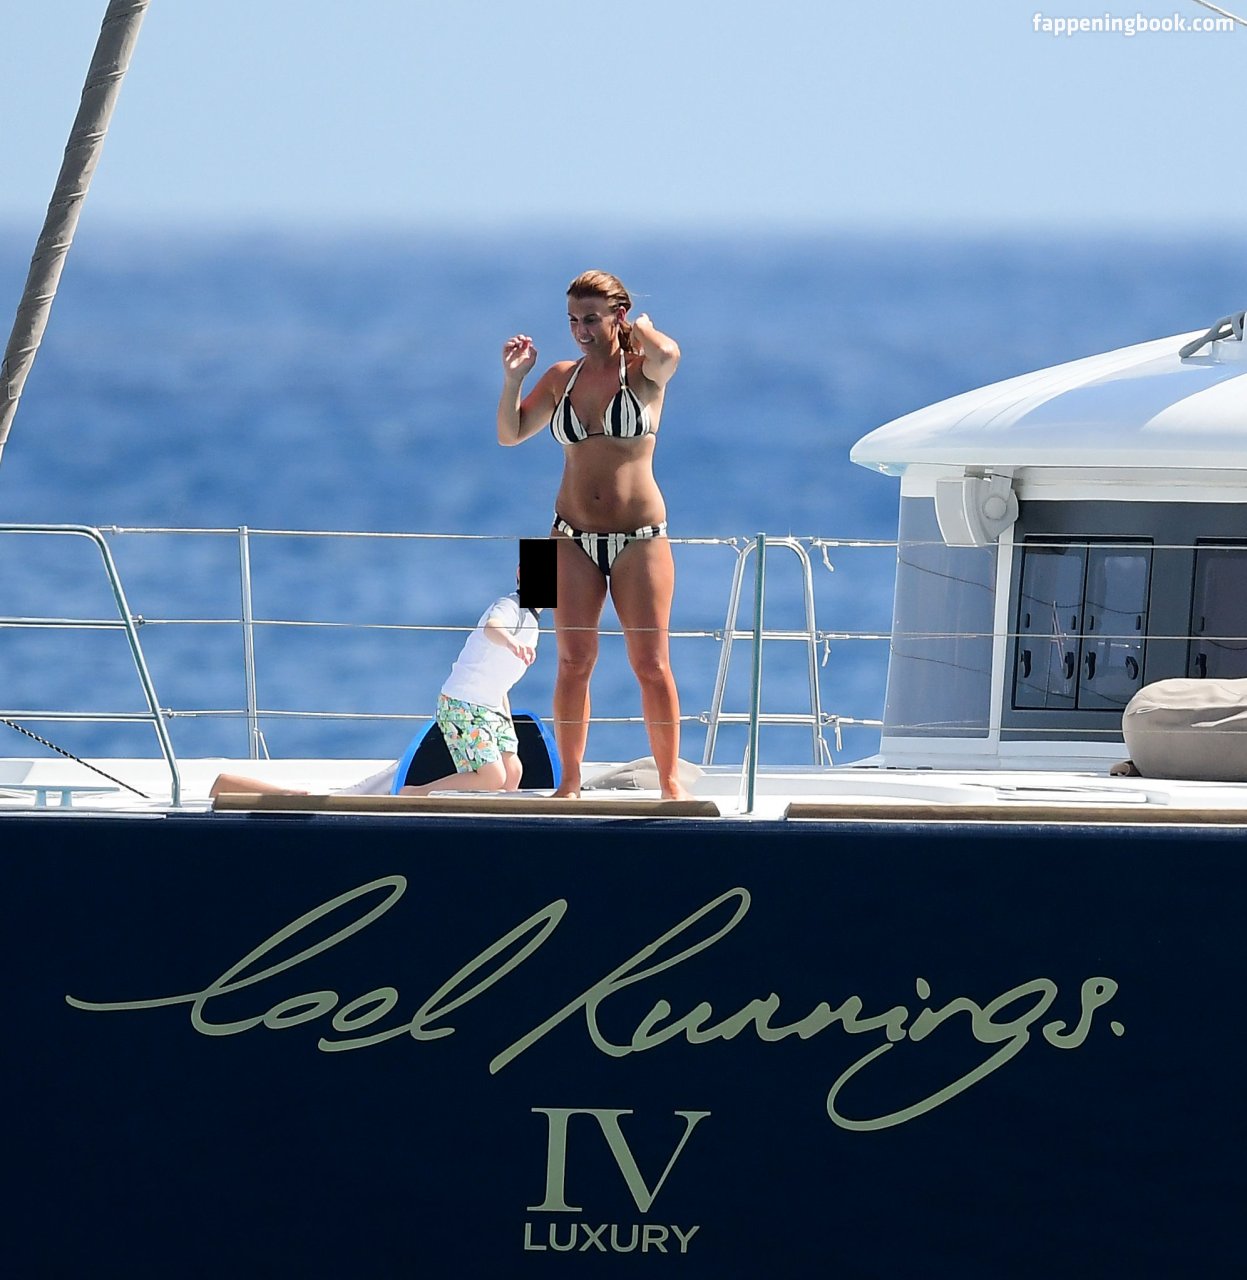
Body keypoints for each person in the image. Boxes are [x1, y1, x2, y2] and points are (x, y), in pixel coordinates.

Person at [497, 270, 690, 800]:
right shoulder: (561, 377)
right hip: (565, 537)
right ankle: (570, 782)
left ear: (617, 316)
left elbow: (671, 354)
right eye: (572, 320)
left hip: (641, 538)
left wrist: (642, 328)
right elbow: (510, 434)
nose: (580, 330)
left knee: (651, 664)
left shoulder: (644, 372)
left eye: (590, 319)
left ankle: (670, 784)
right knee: (571, 662)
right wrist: (514, 379)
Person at [209, 584, 541, 798]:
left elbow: (500, 681)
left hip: (490, 708)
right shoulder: (509, 606)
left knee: (513, 773)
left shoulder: (533, 625)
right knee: (493, 776)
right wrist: (512, 643)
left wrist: (506, 725)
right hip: (465, 705)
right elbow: (492, 627)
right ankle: (417, 795)